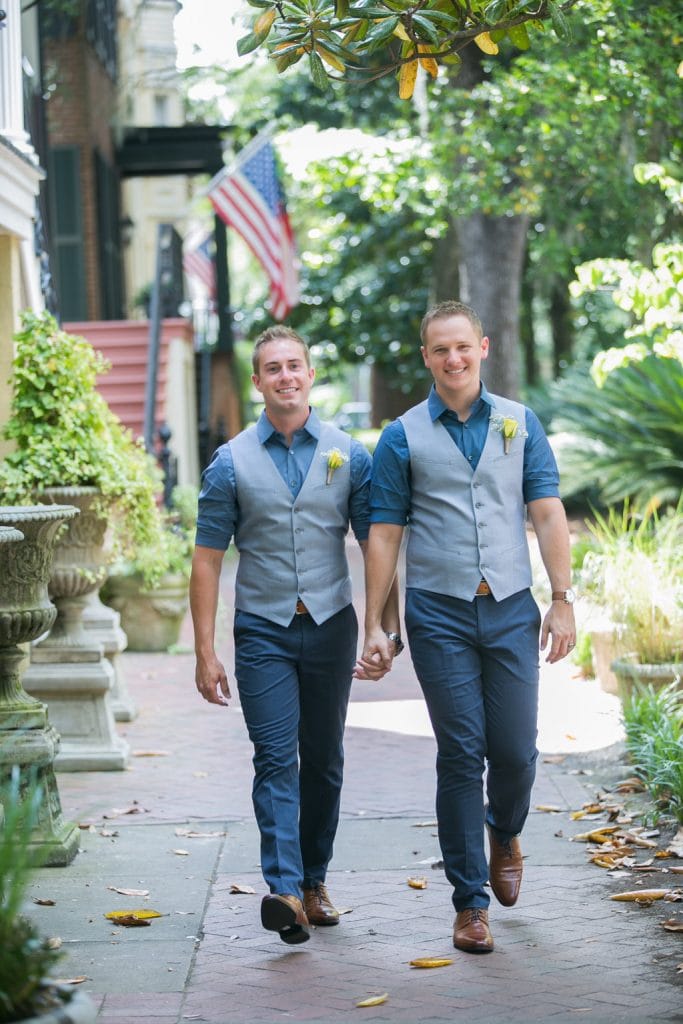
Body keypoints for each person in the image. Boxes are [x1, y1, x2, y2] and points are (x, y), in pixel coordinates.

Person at [357, 301, 576, 954]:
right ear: (425, 357)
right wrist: (375, 624)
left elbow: (545, 511)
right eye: (438, 350)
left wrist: (561, 598)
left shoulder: (519, 422)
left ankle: (504, 830)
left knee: (513, 750)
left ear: (480, 347)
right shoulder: (401, 437)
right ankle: (468, 904)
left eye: (462, 347)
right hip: (438, 612)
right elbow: (384, 535)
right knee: (460, 751)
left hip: (510, 607)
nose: (452, 359)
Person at [190, 325, 398, 946]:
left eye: (294, 366)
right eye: (272, 368)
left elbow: (376, 544)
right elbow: (206, 559)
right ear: (257, 382)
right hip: (263, 632)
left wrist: (384, 627)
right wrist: (206, 650)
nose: (284, 376)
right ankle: (283, 890)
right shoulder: (230, 463)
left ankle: (314, 882)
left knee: (325, 760)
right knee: (276, 758)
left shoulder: (349, 455)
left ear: (310, 374)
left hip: (332, 625)